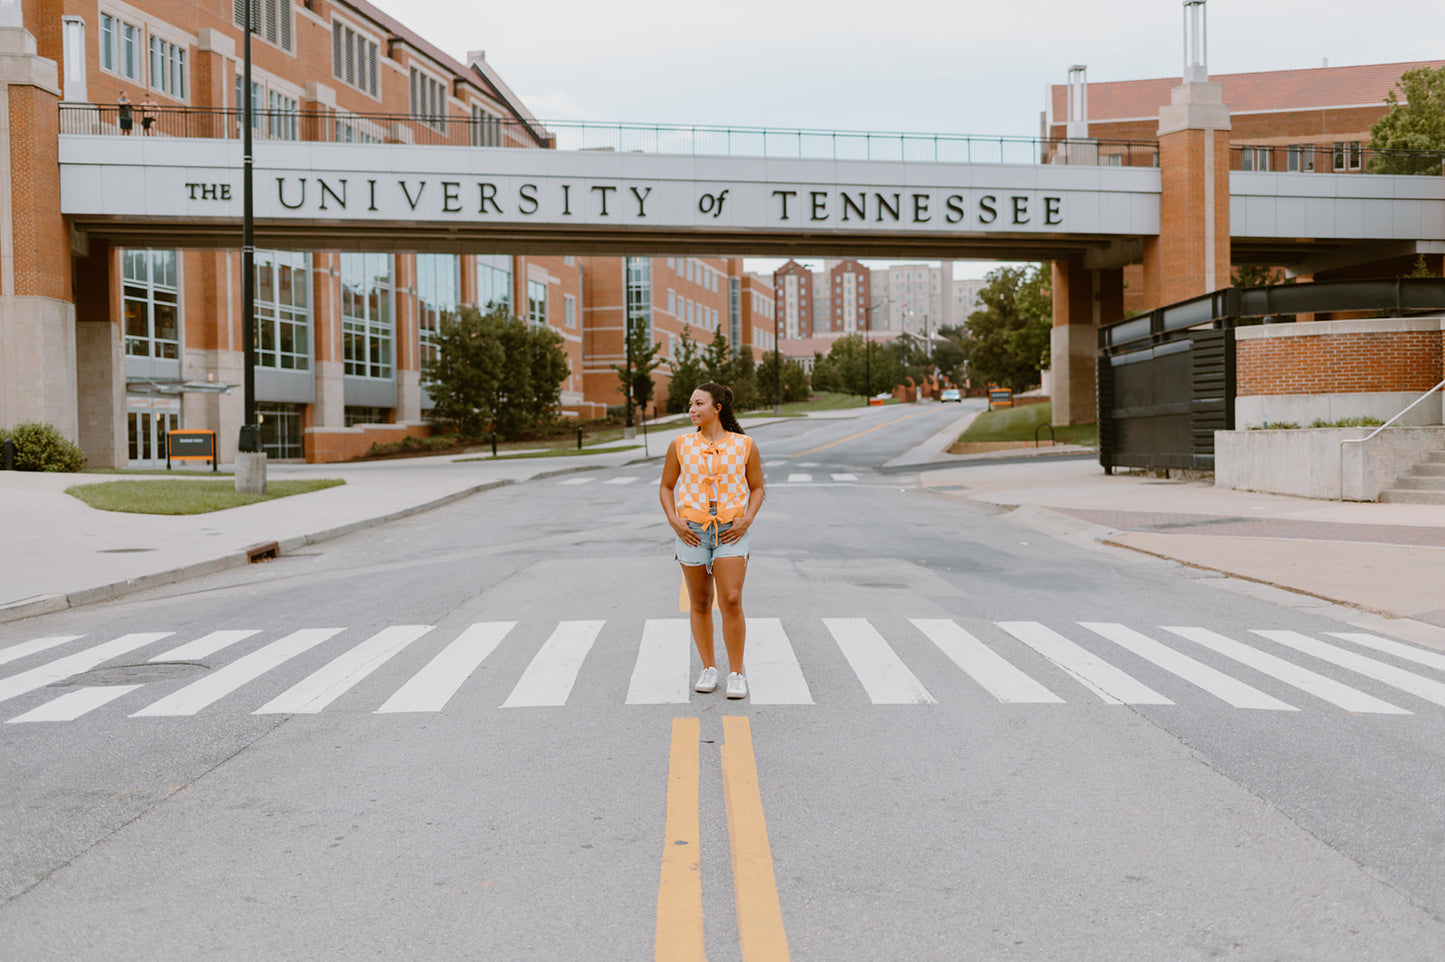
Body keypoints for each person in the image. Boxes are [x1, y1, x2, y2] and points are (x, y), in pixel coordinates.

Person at [660, 382, 765, 699]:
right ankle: (709, 667)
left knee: (730, 599)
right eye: (690, 404)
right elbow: (666, 487)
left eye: (698, 404)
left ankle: (736, 673)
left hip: (731, 530)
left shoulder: (744, 444)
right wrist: (674, 520)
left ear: (717, 408)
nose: (692, 409)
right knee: (701, 602)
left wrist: (747, 519)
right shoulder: (680, 444)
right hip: (691, 531)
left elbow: (757, 487)